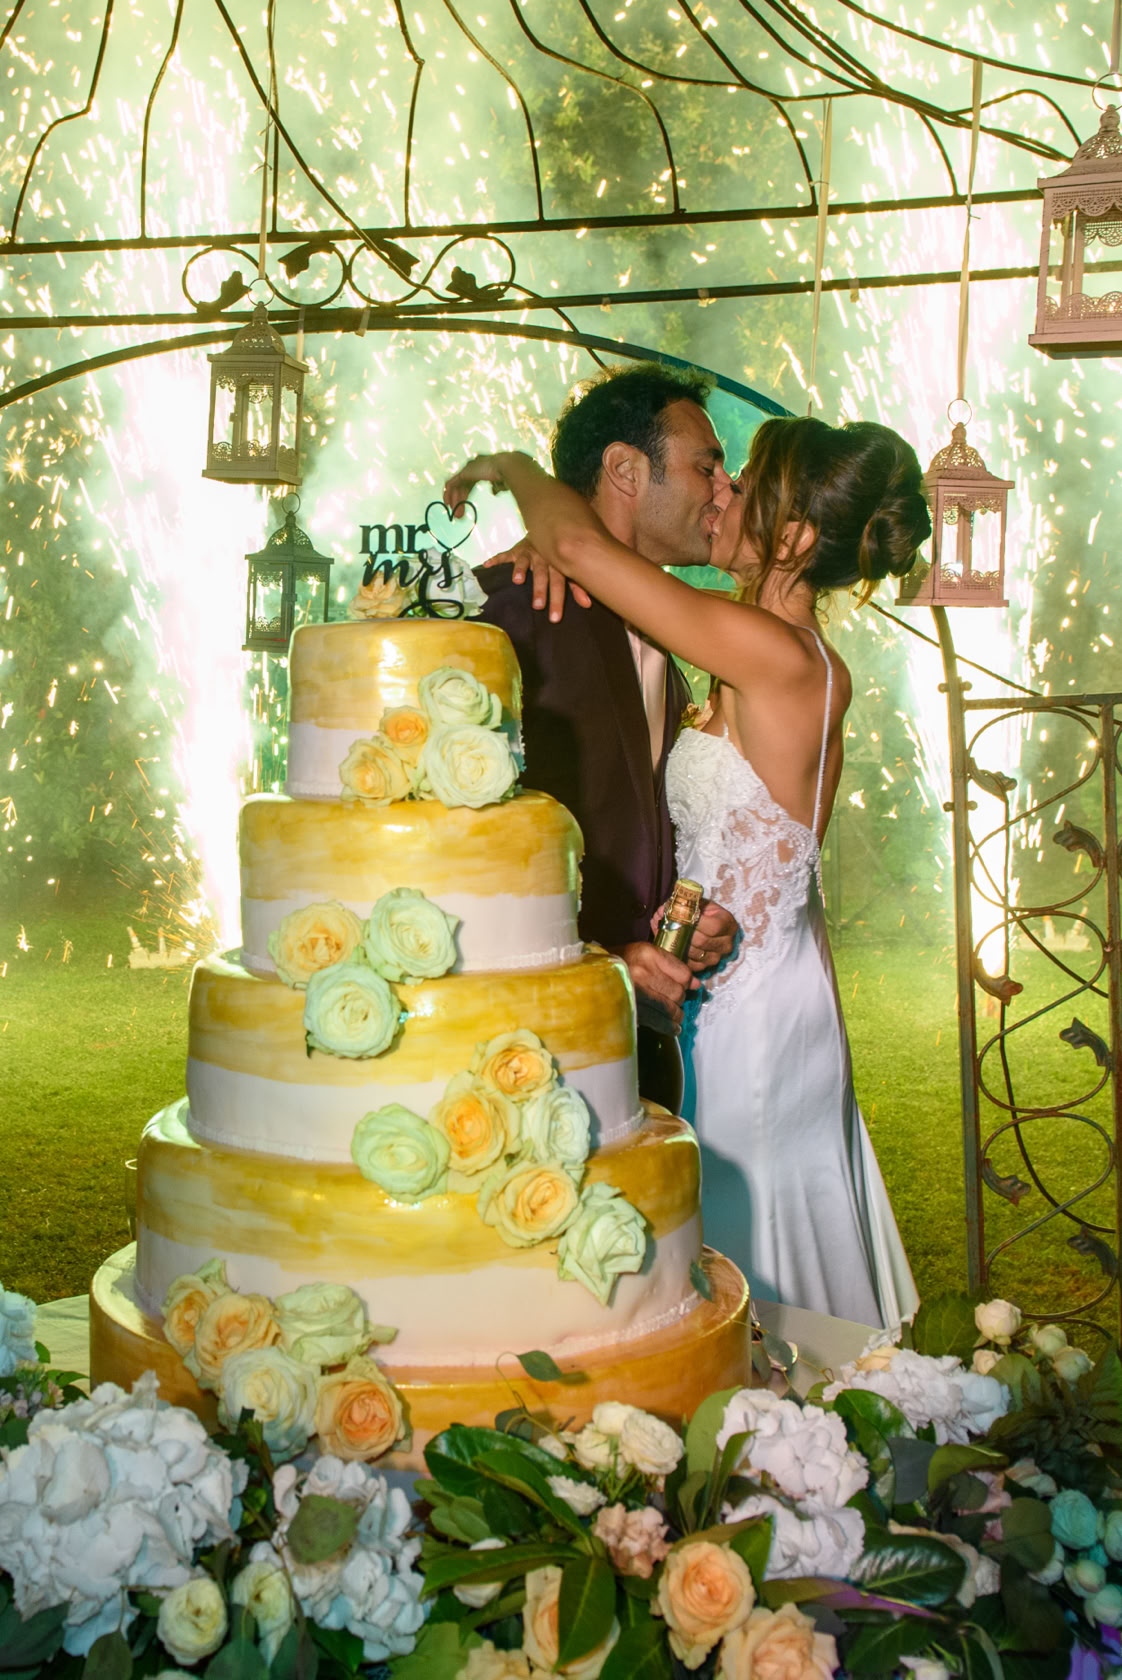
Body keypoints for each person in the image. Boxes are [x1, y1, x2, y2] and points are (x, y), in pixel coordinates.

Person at [446, 415, 929, 1328]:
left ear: (789, 538)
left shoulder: (772, 654)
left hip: (754, 1021)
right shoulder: (756, 651)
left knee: (744, 1256)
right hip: (733, 982)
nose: (720, 493)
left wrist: (511, 464)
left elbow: (583, 543)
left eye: (740, 483)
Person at [474, 365, 738, 1113]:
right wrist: (604, 960)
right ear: (626, 470)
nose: (723, 488)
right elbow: (465, 847)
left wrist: (673, 922)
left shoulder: (670, 635)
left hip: (638, 1044)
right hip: (532, 1054)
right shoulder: (514, 613)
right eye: (705, 465)